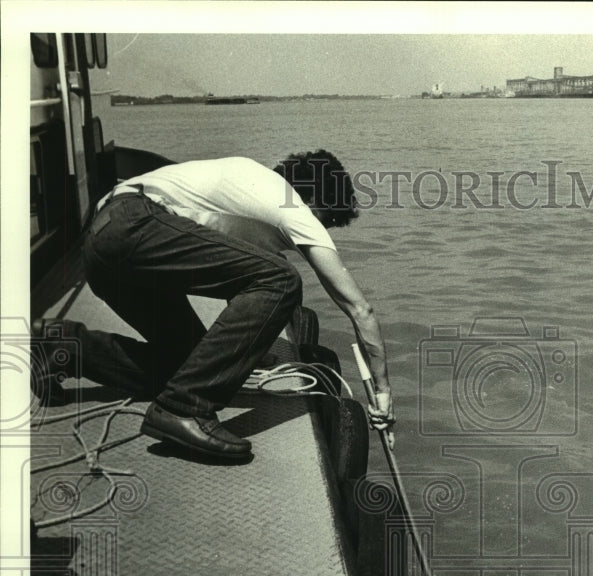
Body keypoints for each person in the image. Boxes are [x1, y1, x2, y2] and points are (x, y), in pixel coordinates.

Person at [33, 150, 394, 460]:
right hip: (134, 226)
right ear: (314, 198)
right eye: (326, 220)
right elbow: (359, 309)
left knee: (188, 367)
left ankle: (61, 349)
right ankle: (183, 408)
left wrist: (247, 352)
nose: (321, 230)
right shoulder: (291, 205)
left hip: (103, 247)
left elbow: (237, 288)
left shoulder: (248, 185)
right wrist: (382, 393)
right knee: (284, 279)